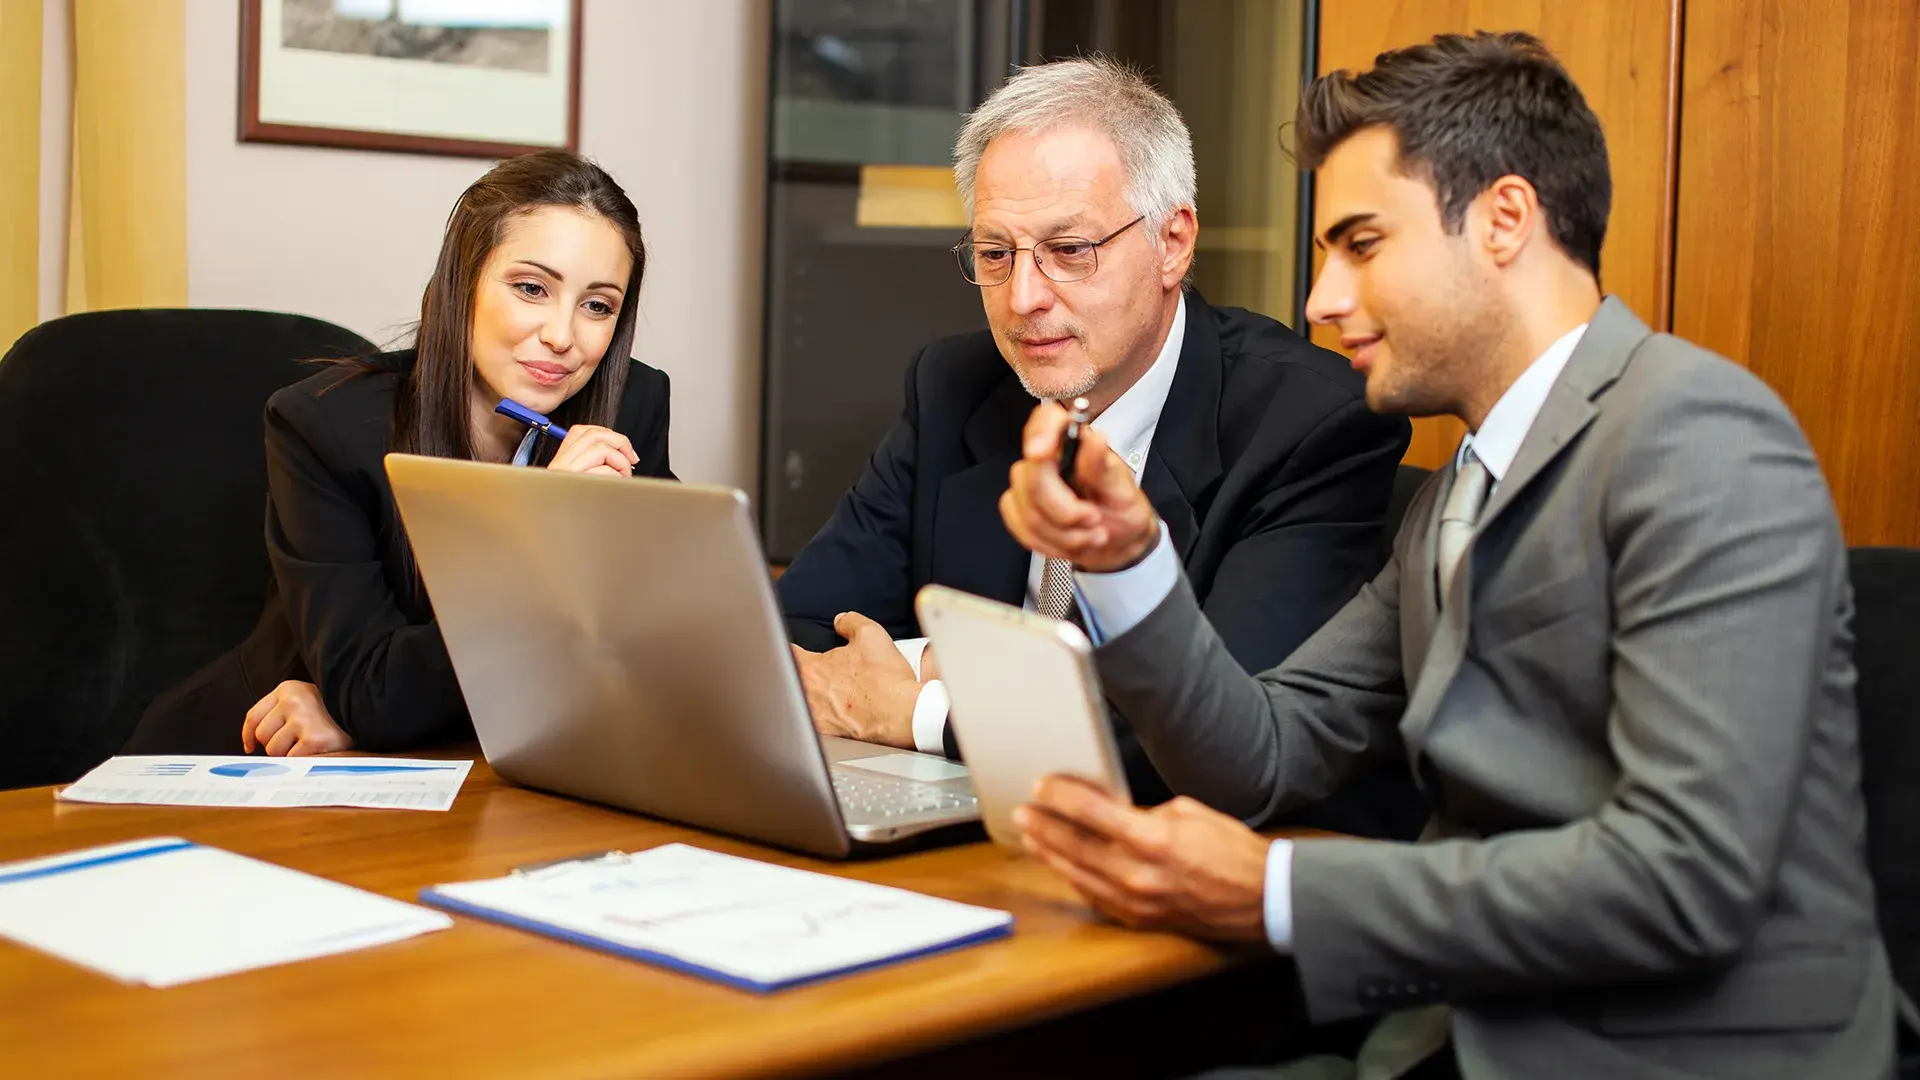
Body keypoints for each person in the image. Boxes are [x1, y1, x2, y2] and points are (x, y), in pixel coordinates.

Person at [1000, 32, 1895, 1079]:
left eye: (1362, 244)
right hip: (1455, 1037)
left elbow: (1683, 878)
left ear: (1506, 220)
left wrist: (1277, 894)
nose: (1320, 302)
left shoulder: (1696, 435)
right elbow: (1267, 755)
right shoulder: (1462, 487)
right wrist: (1126, 560)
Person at [777, 58, 1418, 835]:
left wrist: (925, 706)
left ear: (1172, 242)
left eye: (1070, 249)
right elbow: (802, 637)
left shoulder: (1307, 422)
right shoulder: (955, 384)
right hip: (971, 838)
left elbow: (1204, 744)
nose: (1023, 299)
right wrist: (998, 685)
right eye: (994, 254)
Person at [124, 150, 673, 758]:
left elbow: (649, 657)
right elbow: (374, 691)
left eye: (597, 305)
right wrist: (544, 523)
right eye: (530, 288)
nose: (563, 336)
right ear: (462, 285)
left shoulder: (630, 406)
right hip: (250, 757)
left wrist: (366, 720)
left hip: (457, 765)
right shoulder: (325, 426)